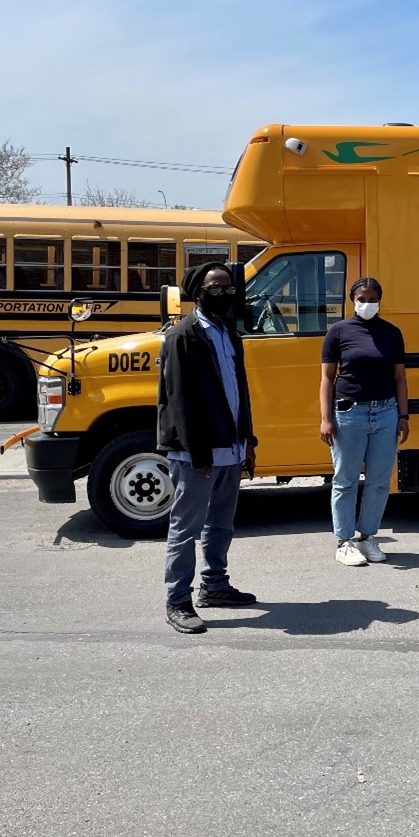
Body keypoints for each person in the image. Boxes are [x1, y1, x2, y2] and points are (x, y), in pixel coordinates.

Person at [158, 262, 258, 634]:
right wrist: (197, 451)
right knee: (186, 528)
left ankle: (214, 586)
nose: (224, 292)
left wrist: (249, 440)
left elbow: (239, 392)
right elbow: (178, 400)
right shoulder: (183, 336)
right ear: (198, 290)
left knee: (221, 524)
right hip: (196, 454)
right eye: (216, 286)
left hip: (230, 448)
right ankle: (178, 600)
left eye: (228, 286)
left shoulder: (229, 333)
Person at [319, 277, 409, 566]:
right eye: (361, 298)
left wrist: (404, 416)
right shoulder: (338, 331)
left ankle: (368, 536)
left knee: (380, 480)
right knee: (345, 480)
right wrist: (325, 419)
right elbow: (326, 378)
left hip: (386, 412)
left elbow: (399, 378)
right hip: (349, 413)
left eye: (372, 298)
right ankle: (344, 541)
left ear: (380, 300)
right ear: (352, 299)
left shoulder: (392, 333)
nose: (367, 303)